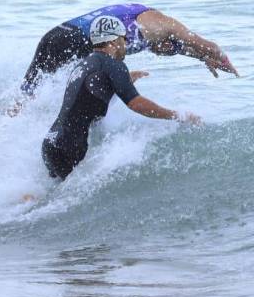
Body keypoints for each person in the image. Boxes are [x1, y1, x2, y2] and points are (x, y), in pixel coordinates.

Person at [41, 15, 201, 180]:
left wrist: (126, 80)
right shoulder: (113, 65)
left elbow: (89, 92)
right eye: (124, 39)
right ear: (113, 40)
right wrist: (177, 115)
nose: (126, 44)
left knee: (53, 194)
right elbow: (136, 104)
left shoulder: (86, 63)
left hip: (51, 143)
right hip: (70, 148)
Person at [20, 3, 239, 97]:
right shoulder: (162, 25)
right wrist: (224, 60)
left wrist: (202, 59)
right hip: (73, 40)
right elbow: (205, 44)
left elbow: (182, 48)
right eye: (166, 49)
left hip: (55, 35)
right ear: (166, 38)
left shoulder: (152, 36)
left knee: (27, 93)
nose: (161, 52)